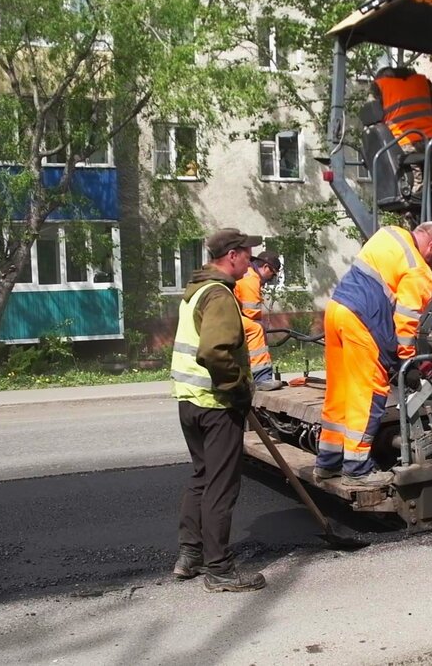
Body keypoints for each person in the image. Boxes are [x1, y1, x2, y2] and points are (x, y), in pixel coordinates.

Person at [313, 222, 432, 486]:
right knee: (368, 394)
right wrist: (407, 364)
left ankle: (327, 463)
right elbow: (405, 324)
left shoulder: (389, 234)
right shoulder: (419, 273)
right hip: (363, 322)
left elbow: (418, 252)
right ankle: (357, 470)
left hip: (337, 310)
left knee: (339, 391)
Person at [170, 227, 266, 592]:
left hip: (190, 403)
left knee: (201, 478)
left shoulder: (195, 292)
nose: (251, 261)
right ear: (232, 256)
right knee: (221, 488)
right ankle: (220, 570)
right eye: (248, 254)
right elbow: (213, 352)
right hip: (216, 405)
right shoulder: (221, 295)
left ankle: (189, 555)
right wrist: (237, 389)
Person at [371, 66, 432, 199]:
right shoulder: (423, 83)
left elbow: (373, 120)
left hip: (404, 148)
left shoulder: (379, 87)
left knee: (415, 195)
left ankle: (417, 206)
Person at [234, 250, 281, 385]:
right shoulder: (251, 278)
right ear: (266, 268)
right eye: (272, 274)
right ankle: (261, 378)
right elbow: (251, 312)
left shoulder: (247, 273)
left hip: (229, 314)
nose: (270, 279)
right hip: (230, 316)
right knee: (256, 329)